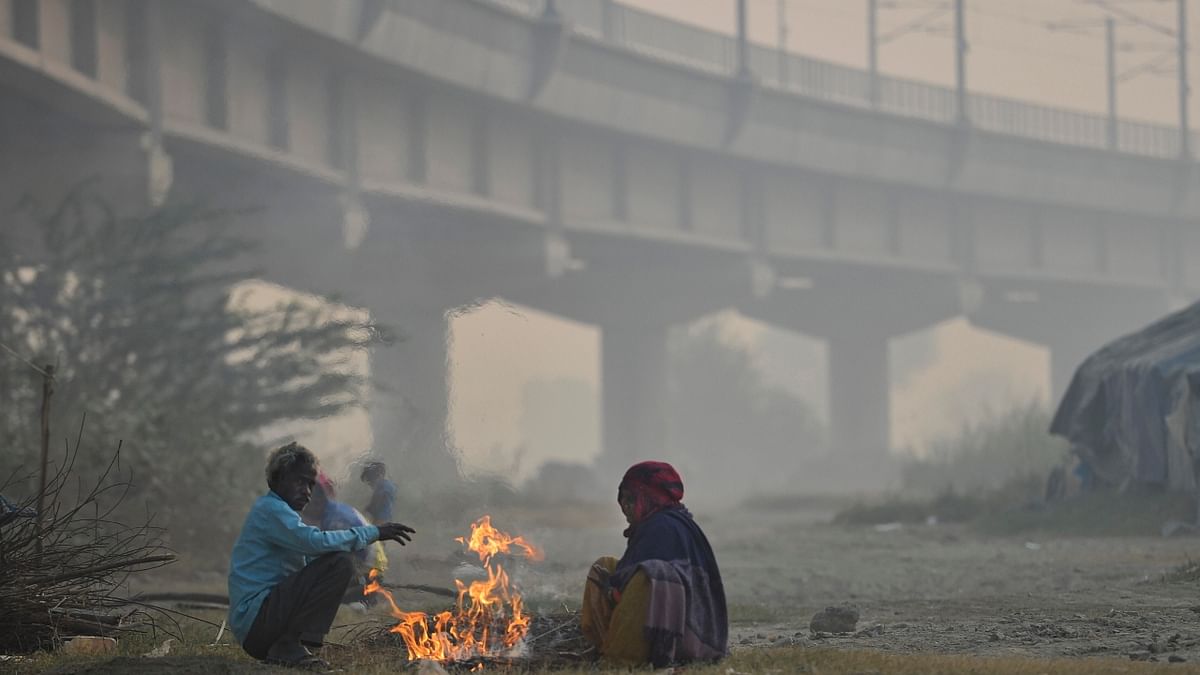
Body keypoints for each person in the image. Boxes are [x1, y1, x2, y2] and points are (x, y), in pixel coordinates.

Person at [228, 442, 415, 667]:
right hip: (256, 622)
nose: (307, 492)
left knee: (337, 562)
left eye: (310, 484)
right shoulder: (272, 510)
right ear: (278, 479)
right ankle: (288, 645)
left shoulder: (278, 512)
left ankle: (291, 643)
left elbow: (309, 558)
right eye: (300, 482)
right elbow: (314, 542)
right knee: (339, 563)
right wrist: (374, 532)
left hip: (258, 624)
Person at [581, 461, 728, 668]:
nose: (625, 507)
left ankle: (620, 660)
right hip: (672, 621)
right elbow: (624, 579)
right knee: (603, 566)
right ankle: (605, 645)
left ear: (649, 498)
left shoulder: (663, 527)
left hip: (685, 633)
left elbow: (639, 587)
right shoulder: (658, 522)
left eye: (631, 499)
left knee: (650, 576)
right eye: (623, 500)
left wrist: (611, 591)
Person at [302, 472, 388, 607]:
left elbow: (351, 556)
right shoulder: (331, 511)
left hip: (368, 570)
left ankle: (360, 597)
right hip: (366, 565)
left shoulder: (337, 522)